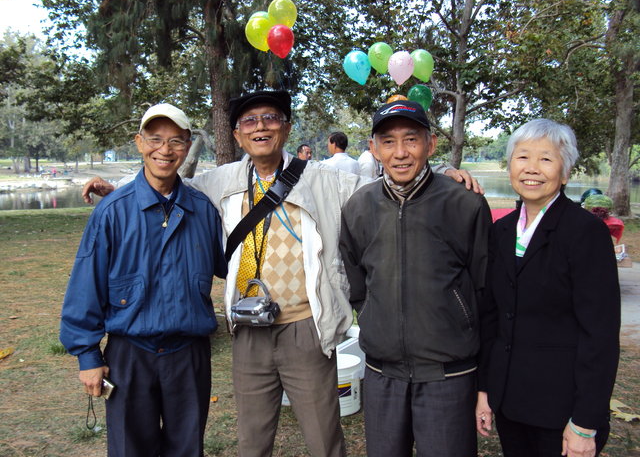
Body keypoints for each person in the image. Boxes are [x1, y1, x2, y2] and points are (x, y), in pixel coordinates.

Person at [82, 91, 483, 457]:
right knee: (252, 440)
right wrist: (117, 188)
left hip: (304, 328)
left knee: (323, 438)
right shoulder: (219, 182)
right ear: (237, 135)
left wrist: (444, 171)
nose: (260, 127)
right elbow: (169, 183)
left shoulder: (324, 180)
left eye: (270, 118)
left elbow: (393, 176)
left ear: (287, 128)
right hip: (248, 331)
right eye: (249, 121)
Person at [60, 103, 227, 457]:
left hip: (188, 354)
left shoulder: (203, 210)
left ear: (187, 147)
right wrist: (88, 356)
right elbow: (86, 286)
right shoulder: (112, 212)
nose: (165, 150)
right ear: (139, 143)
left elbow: (228, 264)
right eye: (155, 139)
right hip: (130, 354)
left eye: (176, 141)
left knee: (187, 447)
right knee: (130, 448)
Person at [339, 100, 491, 457]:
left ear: (430, 144)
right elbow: (357, 283)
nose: (400, 152)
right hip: (383, 372)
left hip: (448, 374)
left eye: (411, 139)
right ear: (374, 148)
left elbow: (485, 289)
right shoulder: (359, 206)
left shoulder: (464, 203)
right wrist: (375, 318)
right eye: (388, 142)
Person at [475, 119, 620, 457]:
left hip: (562, 410)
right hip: (510, 402)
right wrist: (485, 390)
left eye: (546, 159)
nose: (532, 168)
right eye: (523, 157)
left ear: (565, 172)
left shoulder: (585, 233)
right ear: (510, 166)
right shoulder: (502, 230)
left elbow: (599, 334)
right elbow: (493, 316)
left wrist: (585, 421)